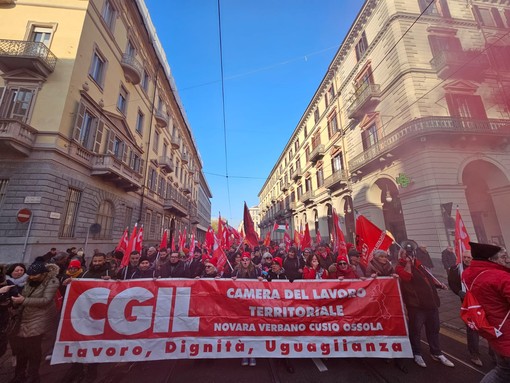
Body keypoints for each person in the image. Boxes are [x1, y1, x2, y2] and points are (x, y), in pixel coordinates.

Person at [395, 241, 454, 368]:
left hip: (431, 304)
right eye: (406, 252)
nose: (409, 254)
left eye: (411, 252)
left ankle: (436, 352)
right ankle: (417, 353)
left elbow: (428, 277)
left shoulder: (419, 265)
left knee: (433, 329)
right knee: (415, 330)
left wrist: (438, 284)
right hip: (416, 306)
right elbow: (406, 277)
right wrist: (408, 262)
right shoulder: (399, 266)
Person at [462, 242, 510, 383]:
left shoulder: (469, 274)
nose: (506, 260)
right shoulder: (500, 277)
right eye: (503, 257)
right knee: (502, 373)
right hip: (507, 334)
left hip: (497, 333)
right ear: (491, 260)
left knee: (502, 372)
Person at [10, 260, 59, 383]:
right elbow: (25, 294)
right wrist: (17, 303)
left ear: (43, 274)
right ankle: (19, 375)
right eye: (30, 274)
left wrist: (24, 301)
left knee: (33, 349)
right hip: (25, 317)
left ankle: (33, 375)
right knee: (21, 349)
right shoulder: (30, 281)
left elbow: (46, 300)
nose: (31, 277)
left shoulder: (52, 281)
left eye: (35, 275)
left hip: (40, 318)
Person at [447, 249, 482, 366]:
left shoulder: (479, 268)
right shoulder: (456, 269)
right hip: (468, 303)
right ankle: (474, 354)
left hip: (482, 302)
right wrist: (459, 292)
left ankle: (494, 355)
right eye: (465, 257)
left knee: (489, 328)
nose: (466, 259)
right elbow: (452, 283)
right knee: (472, 328)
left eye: (469, 257)